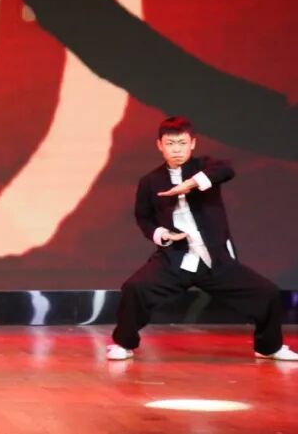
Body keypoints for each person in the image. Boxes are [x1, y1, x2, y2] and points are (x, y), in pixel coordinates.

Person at [106, 116, 296, 361]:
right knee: (135, 289)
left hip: (214, 258)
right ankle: (124, 343)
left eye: (182, 143)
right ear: (160, 145)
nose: (176, 149)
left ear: (192, 143)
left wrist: (191, 184)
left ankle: (268, 347)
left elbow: (226, 170)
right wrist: (163, 234)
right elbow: (144, 217)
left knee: (267, 293)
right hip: (176, 257)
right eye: (170, 144)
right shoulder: (150, 181)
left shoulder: (205, 167)